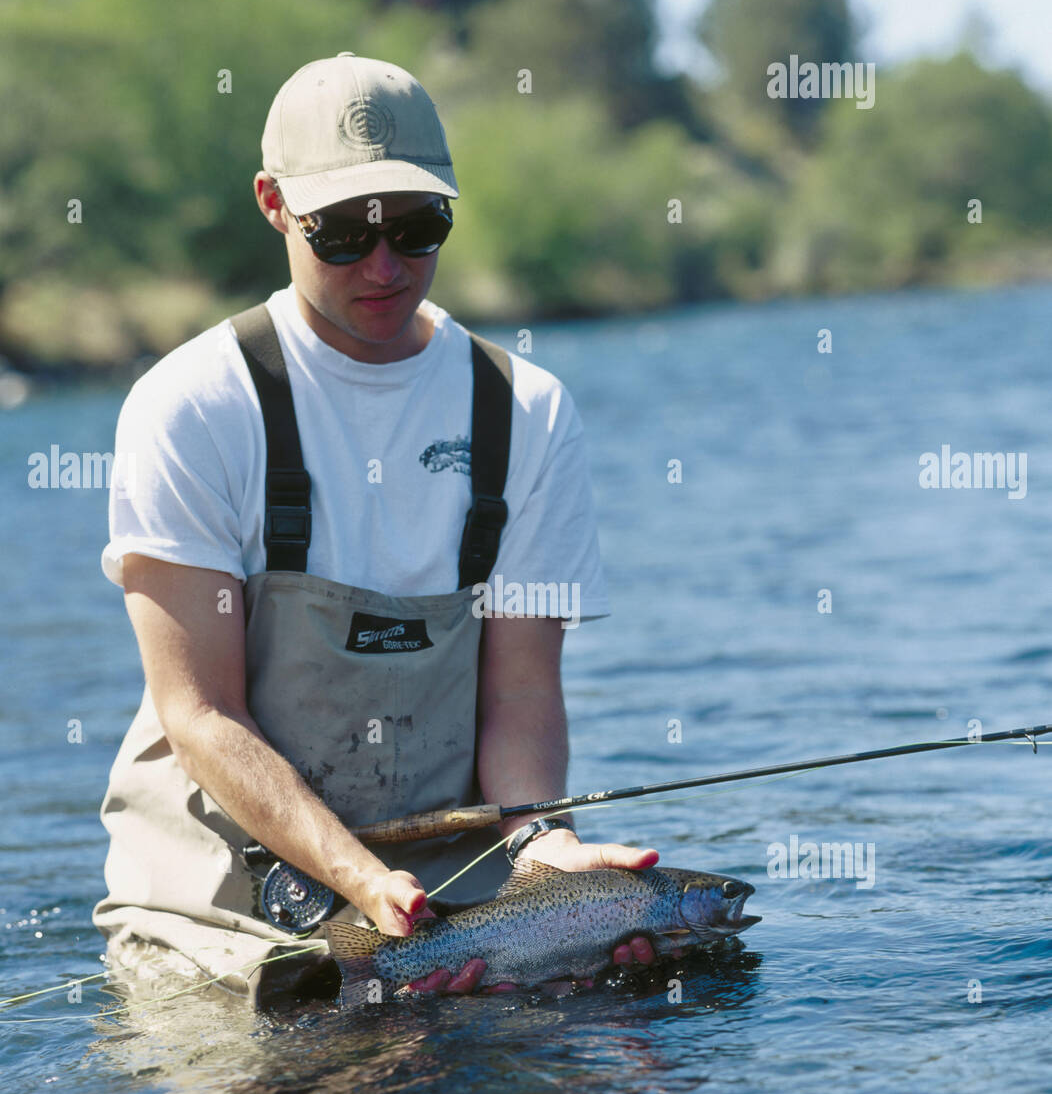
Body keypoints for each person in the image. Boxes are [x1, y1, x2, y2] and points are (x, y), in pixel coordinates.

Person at [95, 53, 660, 1005]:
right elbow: (200, 714)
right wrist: (356, 883)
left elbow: (521, 697)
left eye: (415, 225)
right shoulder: (189, 406)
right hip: (220, 895)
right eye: (344, 233)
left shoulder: (527, 410)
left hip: (442, 881)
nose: (386, 265)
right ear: (273, 204)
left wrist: (541, 844)